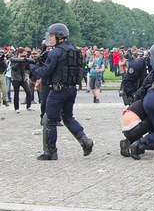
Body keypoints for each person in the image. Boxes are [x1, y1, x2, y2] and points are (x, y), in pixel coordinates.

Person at [29, 23, 94, 160]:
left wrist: (31, 68)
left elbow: (45, 72)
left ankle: (50, 152)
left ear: (58, 36)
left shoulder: (56, 52)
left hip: (58, 91)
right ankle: (85, 141)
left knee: (49, 120)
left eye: (52, 36)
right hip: (71, 90)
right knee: (68, 117)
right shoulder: (75, 50)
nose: (50, 39)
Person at [11, 48, 34, 113]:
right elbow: (13, 68)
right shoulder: (14, 59)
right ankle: (16, 108)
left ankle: (28, 106)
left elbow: (26, 68)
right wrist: (19, 62)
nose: (25, 55)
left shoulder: (24, 59)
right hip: (15, 78)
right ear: (20, 53)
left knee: (28, 91)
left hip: (23, 78)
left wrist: (26, 62)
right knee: (16, 93)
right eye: (24, 54)